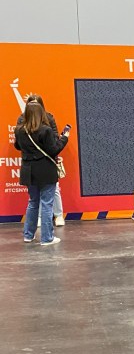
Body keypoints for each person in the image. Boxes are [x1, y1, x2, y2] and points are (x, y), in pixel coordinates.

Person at [14, 100, 70, 246]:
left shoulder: (19, 130)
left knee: (33, 202)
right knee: (46, 204)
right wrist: (65, 138)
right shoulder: (46, 130)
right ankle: (47, 238)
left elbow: (17, 146)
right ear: (41, 113)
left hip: (28, 170)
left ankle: (28, 235)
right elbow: (54, 150)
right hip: (45, 170)